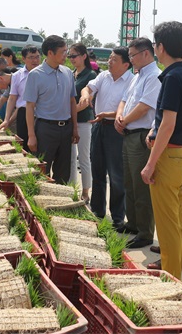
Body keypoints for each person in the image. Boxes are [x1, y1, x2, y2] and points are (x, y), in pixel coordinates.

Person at [140, 21, 182, 280]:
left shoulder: (173, 77)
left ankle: (171, 279)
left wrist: (150, 163)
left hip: (170, 155)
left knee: (167, 227)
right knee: (176, 221)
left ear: (160, 47)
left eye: (155, 44)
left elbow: (168, 123)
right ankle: (173, 274)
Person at [79, 47, 134, 228]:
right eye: (109, 58)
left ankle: (118, 217)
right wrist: (86, 95)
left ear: (126, 64)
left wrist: (107, 114)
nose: (109, 61)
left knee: (117, 175)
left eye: (114, 59)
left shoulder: (132, 82)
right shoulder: (103, 76)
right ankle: (98, 211)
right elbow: (89, 87)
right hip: (99, 127)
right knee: (98, 171)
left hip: (116, 130)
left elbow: (127, 109)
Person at [115, 38, 161, 249]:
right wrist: (119, 115)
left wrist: (124, 120)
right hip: (128, 132)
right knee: (129, 182)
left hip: (141, 135)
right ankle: (133, 223)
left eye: (132, 55)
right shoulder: (137, 76)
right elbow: (125, 99)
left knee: (141, 186)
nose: (130, 59)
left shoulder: (154, 76)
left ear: (145, 53)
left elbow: (144, 107)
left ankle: (144, 232)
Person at [24, 35, 78, 184]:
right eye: (63, 52)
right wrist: (31, 135)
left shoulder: (67, 73)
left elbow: (72, 101)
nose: (66, 55)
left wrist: (74, 128)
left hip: (66, 128)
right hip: (45, 129)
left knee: (63, 171)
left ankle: (60, 204)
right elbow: (30, 106)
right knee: (42, 171)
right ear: (50, 53)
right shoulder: (35, 75)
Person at [0, 45, 40, 152]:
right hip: (23, 115)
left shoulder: (45, 74)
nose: (35, 60)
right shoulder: (17, 76)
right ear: (23, 59)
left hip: (41, 115)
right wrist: (7, 119)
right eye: (31, 57)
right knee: (25, 147)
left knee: (40, 148)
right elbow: (12, 98)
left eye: (37, 57)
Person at [68, 43, 97, 203]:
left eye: (74, 55)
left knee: (83, 158)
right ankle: (73, 190)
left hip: (83, 121)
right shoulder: (72, 74)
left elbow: (85, 102)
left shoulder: (90, 75)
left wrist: (68, 113)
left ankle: (86, 192)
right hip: (70, 122)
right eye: (69, 56)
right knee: (71, 158)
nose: (71, 59)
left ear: (84, 56)